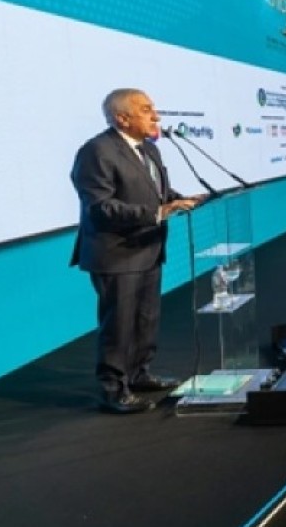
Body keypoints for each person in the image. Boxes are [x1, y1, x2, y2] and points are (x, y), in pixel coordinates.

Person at [71, 89, 201, 414]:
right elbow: (100, 207)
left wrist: (182, 199)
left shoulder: (148, 149)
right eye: (146, 109)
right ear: (122, 118)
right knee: (119, 325)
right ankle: (114, 389)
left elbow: (157, 191)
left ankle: (139, 374)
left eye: (153, 108)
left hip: (148, 248)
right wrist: (158, 212)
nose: (156, 116)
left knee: (145, 320)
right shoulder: (96, 151)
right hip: (117, 253)